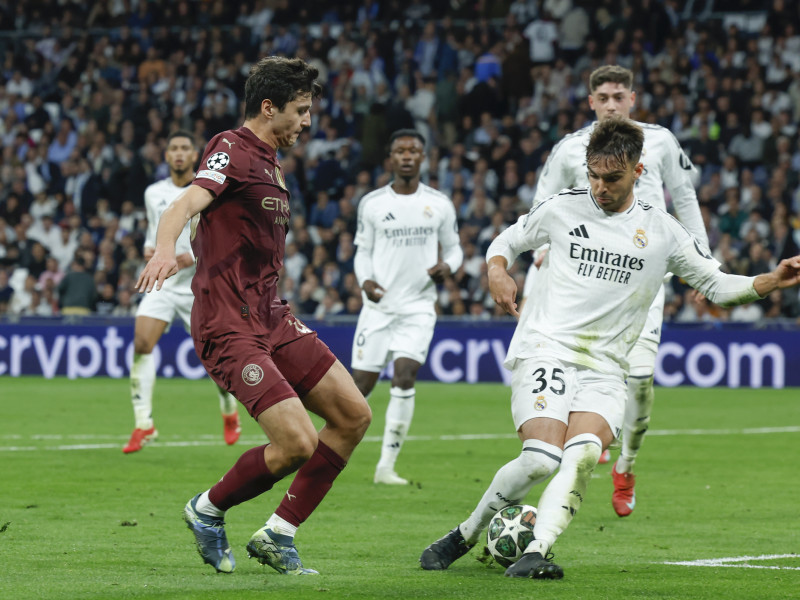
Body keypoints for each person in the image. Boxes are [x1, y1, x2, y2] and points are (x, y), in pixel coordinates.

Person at [419, 117, 800, 579]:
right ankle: (465, 534)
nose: (599, 187)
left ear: (637, 172)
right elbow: (507, 240)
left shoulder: (662, 231)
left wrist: (772, 281)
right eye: (593, 176)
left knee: (580, 456)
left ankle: (536, 552)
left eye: (612, 178)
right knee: (541, 458)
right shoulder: (563, 208)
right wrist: (497, 269)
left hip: (605, 369)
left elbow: (717, 285)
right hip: (547, 349)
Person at [136, 56, 371, 576]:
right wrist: (163, 248)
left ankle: (278, 534)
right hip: (228, 323)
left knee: (353, 416)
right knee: (296, 442)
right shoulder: (232, 148)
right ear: (269, 107)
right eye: (301, 111)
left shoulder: (269, 161)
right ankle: (207, 509)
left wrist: (192, 254)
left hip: (271, 316)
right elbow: (183, 205)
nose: (307, 122)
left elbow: (229, 234)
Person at [521, 65, 710, 517]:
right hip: (589, 279)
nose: (610, 103)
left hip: (645, 277)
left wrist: (703, 264)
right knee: (580, 365)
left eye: (618, 96)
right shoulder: (570, 148)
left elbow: (684, 198)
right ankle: (587, 437)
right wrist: (540, 252)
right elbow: (541, 203)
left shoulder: (660, 141)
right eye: (602, 96)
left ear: (632, 98)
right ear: (590, 102)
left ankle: (626, 466)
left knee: (641, 381)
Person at [350, 129, 463, 485]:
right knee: (359, 388)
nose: (407, 156)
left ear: (423, 158)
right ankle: (321, 451)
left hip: (418, 307)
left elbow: (456, 249)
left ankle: (386, 467)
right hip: (379, 309)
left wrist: (449, 267)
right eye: (400, 150)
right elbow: (362, 252)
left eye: (414, 150)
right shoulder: (372, 204)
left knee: (404, 374)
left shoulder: (439, 204)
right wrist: (365, 282)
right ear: (390, 158)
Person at [123, 130, 242, 454]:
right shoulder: (153, 193)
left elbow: (224, 238)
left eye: (184, 148)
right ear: (166, 156)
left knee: (216, 359)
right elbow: (153, 232)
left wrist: (193, 257)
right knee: (142, 343)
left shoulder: (208, 188)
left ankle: (229, 412)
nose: (178, 153)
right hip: (163, 283)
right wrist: (151, 250)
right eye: (172, 148)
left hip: (198, 285)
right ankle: (143, 424)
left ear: (195, 156)